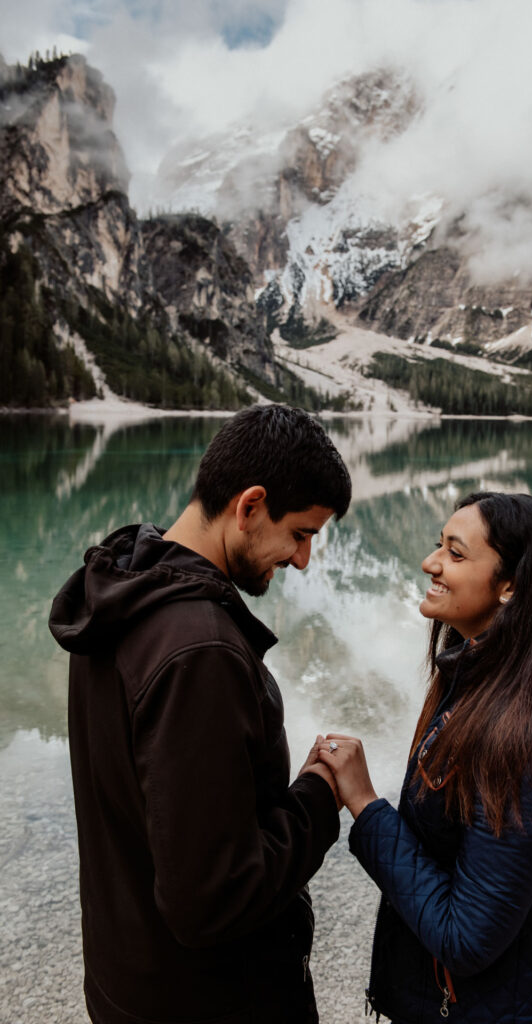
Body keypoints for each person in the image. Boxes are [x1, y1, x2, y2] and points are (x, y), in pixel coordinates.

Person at [48, 404, 352, 1024]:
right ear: (249, 506)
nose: (302, 560)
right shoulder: (199, 651)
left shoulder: (123, 589)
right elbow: (213, 899)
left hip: (129, 980)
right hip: (208, 1000)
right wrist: (319, 795)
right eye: (300, 533)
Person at [317, 491, 532, 1024]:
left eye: (456, 553)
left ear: (512, 586)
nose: (431, 563)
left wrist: (364, 803)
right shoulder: (488, 676)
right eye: (437, 545)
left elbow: (464, 937)